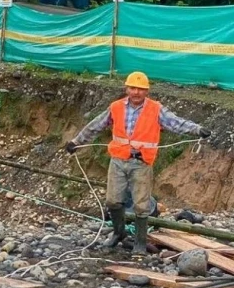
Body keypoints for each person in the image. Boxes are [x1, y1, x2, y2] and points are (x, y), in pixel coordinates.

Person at [66, 72, 210, 255]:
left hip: (141, 163)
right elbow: (96, 125)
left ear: (147, 91)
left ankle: (140, 243)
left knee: (141, 205)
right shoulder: (116, 107)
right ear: (126, 89)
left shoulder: (156, 109)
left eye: (140, 89)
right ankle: (119, 233)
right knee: (112, 201)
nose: (136, 92)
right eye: (133, 88)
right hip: (118, 161)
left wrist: (197, 129)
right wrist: (76, 142)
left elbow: (177, 123)